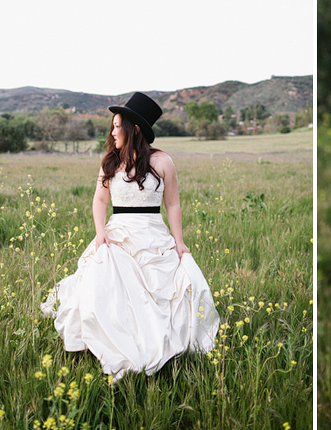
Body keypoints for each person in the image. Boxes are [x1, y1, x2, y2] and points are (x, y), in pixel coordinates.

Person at [41, 92, 219, 380]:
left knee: (174, 284)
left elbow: (172, 204)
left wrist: (180, 242)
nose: (112, 132)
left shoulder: (163, 162)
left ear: (134, 129)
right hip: (118, 232)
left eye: (116, 125)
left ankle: (155, 341)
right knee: (106, 274)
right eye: (112, 126)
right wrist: (100, 234)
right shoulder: (110, 163)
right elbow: (99, 201)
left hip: (153, 235)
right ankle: (110, 336)